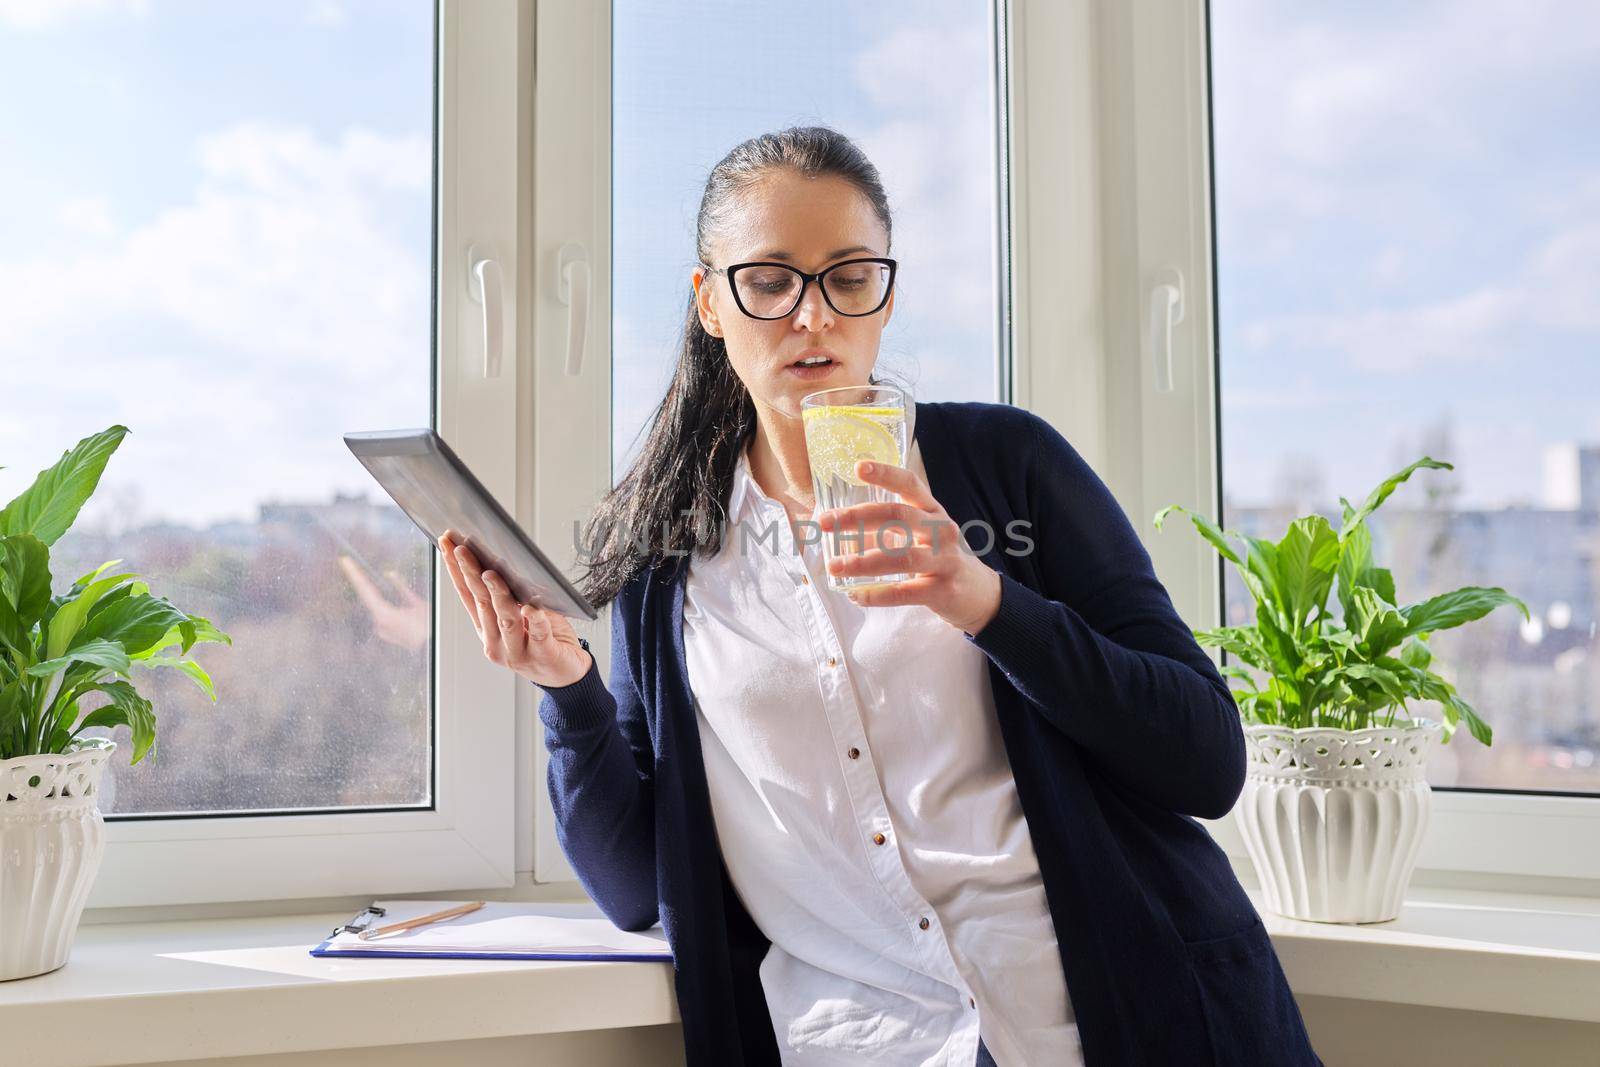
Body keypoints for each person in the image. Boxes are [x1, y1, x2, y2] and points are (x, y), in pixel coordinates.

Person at [439, 126, 1322, 1067]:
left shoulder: (1006, 468)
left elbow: (1207, 759)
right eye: (770, 280)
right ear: (709, 303)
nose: (812, 316)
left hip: (1121, 1021)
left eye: (848, 277)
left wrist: (986, 602)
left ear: (886, 296)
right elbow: (636, 889)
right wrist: (570, 693)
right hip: (861, 1042)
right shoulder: (666, 563)